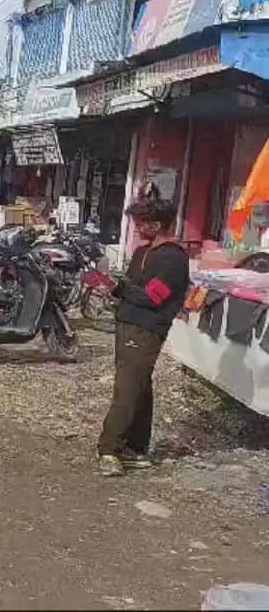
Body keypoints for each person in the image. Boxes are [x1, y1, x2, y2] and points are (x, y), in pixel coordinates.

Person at [96, 198, 189, 477]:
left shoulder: (173, 258)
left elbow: (153, 297)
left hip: (146, 328)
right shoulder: (142, 252)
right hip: (129, 324)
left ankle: (109, 449)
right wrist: (114, 289)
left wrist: (118, 289)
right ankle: (134, 449)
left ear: (157, 225)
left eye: (141, 223)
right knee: (139, 387)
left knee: (127, 389)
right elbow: (133, 286)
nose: (136, 229)